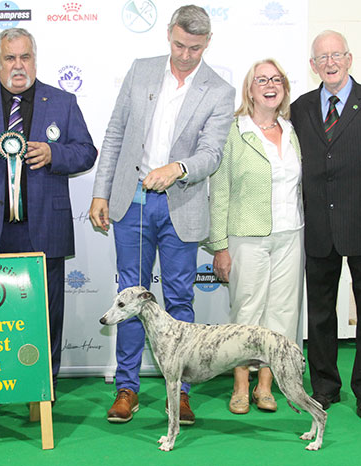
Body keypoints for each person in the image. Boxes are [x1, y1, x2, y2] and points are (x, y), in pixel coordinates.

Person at [90, 5, 235, 424]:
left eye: (195, 47)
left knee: (179, 300)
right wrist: (101, 193)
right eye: (179, 44)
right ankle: (126, 389)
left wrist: (178, 169)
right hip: (130, 201)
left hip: (181, 206)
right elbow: (115, 133)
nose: (186, 54)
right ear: (168, 35)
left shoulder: (220, 91)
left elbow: (211, 154)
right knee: (131, 297)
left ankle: (182, 393)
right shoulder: (141, 70)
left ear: (207, 43)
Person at [0, 28, 97, 401]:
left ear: (34, 59)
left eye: (24, 57)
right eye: (10, 58)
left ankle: (44, 385)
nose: (18, 66)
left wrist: (54, 155)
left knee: (45, 313)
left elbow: (87, 151)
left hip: (43, 226)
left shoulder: (62, 100)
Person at [210, 59, 304, 415]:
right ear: (249, 89)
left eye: (276, 79)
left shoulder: (293, 130)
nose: (270, 84)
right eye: (261, 80)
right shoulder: (234, 131)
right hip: (246, 237)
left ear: (284, 89)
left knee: (281, 315)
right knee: (246, 314)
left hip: (291, 234)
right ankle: (240, 385)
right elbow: (219, 192)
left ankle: (266, 386)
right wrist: (219, 246)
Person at [291, 30, 361, 417]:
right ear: (313, 65)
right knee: (319, 314)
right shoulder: (299, 108)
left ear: (349, 59)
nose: (330, 63)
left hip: (360, 223)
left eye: (337, 55)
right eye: (322, 57)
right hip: (317, 227)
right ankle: (325, 387)